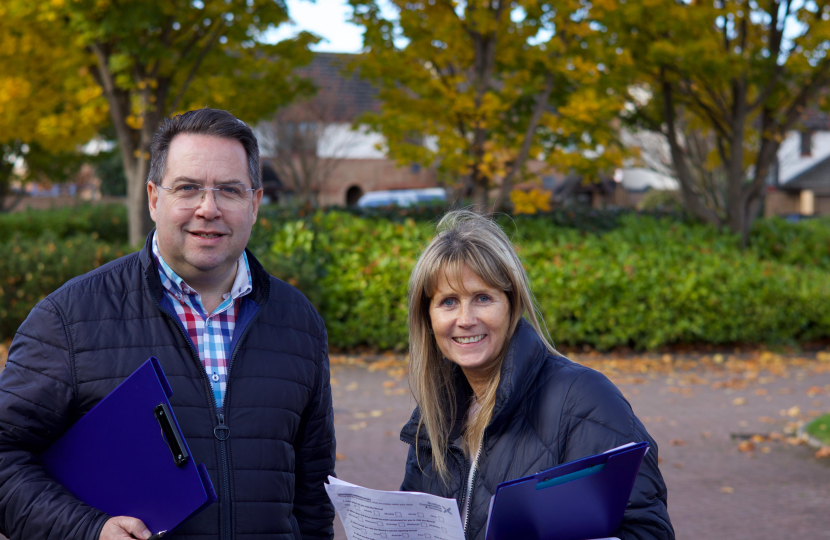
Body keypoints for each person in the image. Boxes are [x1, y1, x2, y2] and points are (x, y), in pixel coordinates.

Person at [0, 109, 335, 540]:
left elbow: (313, 491)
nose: (208, 208)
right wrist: (88, 531)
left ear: (254, 203)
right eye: (188, 188)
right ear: (154, 198)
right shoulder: (69, 318)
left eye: (229, 190)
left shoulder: (298, 321)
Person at [400, 210, 674, 540]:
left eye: (483, 298)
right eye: (448, 302)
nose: (465, 318)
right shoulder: (433, 413)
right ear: (427, 318)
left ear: (512, 304)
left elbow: (648, 530)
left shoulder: (584, 399)